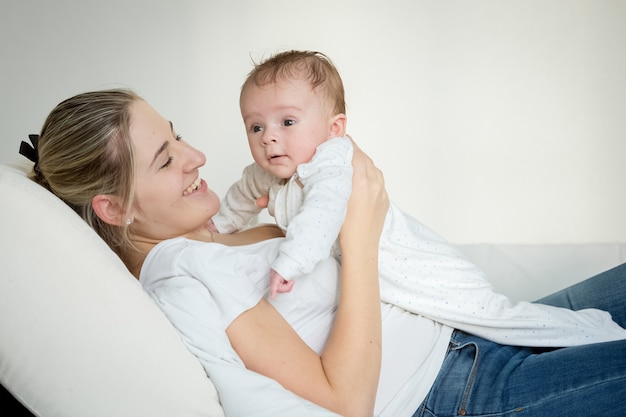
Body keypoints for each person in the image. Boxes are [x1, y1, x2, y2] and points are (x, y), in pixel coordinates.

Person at [19, 88, 626, 417]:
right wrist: (358, 238)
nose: (196, 155)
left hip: (469, 329)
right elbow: (345, 401)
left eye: (176, 135)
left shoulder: (212, 239)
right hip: (461, 389)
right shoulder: (185, 277)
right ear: (115, 210)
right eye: (166, 157)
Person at [210, 50, 626, 346]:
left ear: (334, 128)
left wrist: (292, 263)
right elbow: (241, 196)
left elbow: (321, 213)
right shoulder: (267, 173)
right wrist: (216, 227)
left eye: (286, 121)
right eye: (255, 127)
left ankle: (598, 335)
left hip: (415, 264)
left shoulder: (332, 162)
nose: (270, 138)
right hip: (382, 277)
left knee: (495, 317)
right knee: (486, 327)